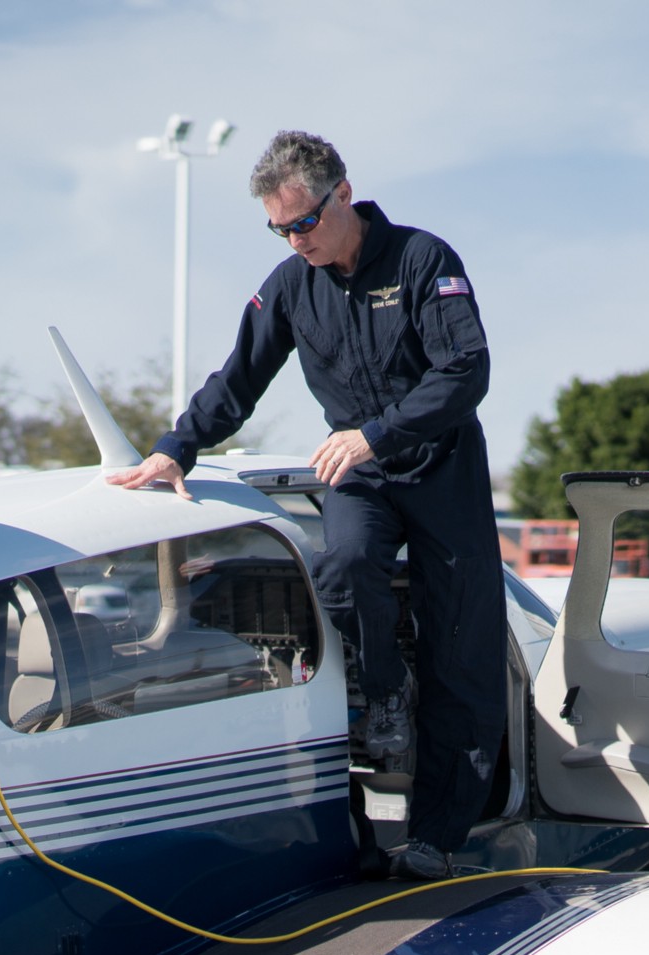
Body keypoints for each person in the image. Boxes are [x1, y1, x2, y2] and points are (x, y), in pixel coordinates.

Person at [108, 131, 506, 881]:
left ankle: (434, 838)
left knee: (462, 648)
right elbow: (238, 378)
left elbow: (466, 371)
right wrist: (173, 450)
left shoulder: (424, 260)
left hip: (440, 467)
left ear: (343, 195)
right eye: (279, 229)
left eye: (304, 223)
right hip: (357, 473)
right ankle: (385, 691)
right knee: (346, 562)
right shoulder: (291, 284)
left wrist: (377, 434)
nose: (296, 240)